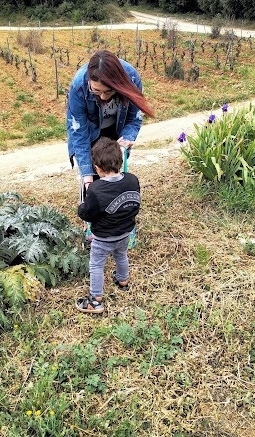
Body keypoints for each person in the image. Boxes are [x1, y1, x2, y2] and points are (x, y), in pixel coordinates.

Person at [66, 49, 154, 192]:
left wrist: (125, 142)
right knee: (92, 177)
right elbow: (78, 131)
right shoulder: (79, 86)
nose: (103, 97)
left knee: (112, 174)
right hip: (90, 133)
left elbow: (133, 118)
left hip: (116, 132)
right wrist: (87, 176)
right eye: (96, 91)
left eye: (108, 91)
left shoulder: (131, 78)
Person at [76, 137, 140, 313]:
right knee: (121, 256)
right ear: (121, 162)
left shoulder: (96, 190)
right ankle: (122, 281)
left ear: (97, 168)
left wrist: (82, 207)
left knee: (96, 265)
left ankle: (95, 300)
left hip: (104, 237)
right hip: (126, 232)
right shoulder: (132, 180)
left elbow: (87, 213)